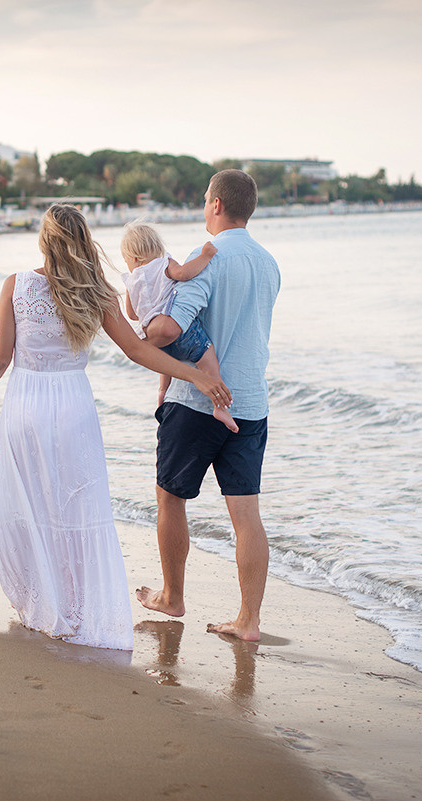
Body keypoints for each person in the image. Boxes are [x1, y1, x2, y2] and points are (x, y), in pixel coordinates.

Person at [0, 203, 231, 650]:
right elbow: (139, 351)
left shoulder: (16, 285)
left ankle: (43, 601)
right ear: (84, 238)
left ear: (45, 240)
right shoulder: (98, 292)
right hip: (72, 406)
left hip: (25, 407)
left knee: (34, 505)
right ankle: (74, 606)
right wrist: (196, 375)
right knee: (76, 509)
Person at [135, 169, 281, 643]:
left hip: (196, 402)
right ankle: (249, 622)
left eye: (204, 199)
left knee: (170, 498)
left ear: (217, 204)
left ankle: (172, 596)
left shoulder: (209, 258)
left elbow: (172, 328)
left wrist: (142, 334)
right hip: (251, 405)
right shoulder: (268, 262)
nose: (203, 206)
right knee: (246, 516)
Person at [119, 221, 238, 433]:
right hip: (182, 334)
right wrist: (206, 256)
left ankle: (163, 392)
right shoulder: (163, 263)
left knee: (168, 364)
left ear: (133, 258)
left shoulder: (131, 280)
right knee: (207, 354)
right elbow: (184, 274)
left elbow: (132, 314)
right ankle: (220, 407)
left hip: (154, 342)